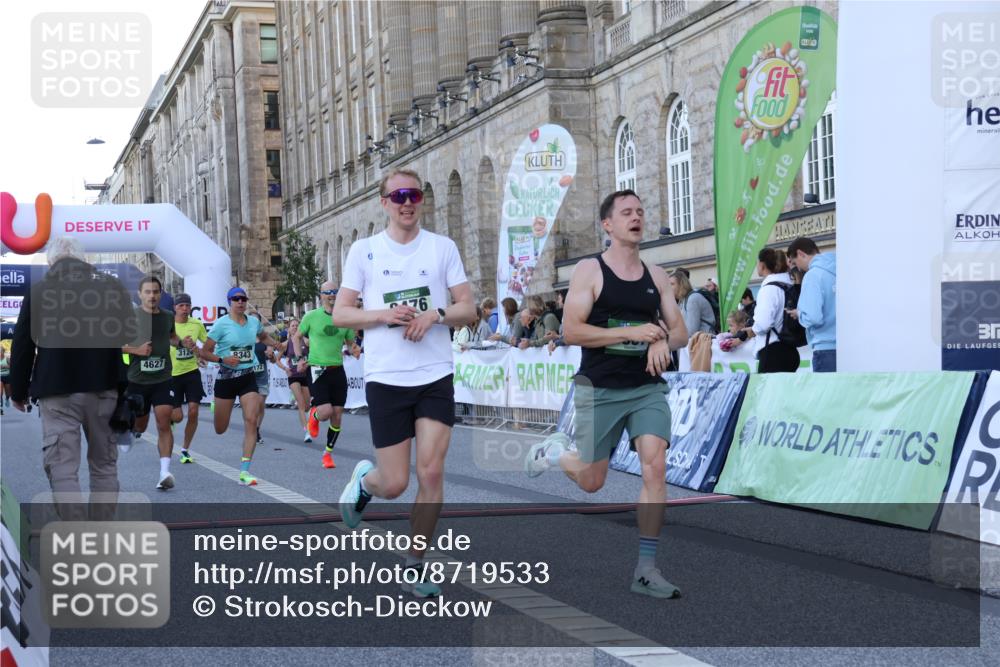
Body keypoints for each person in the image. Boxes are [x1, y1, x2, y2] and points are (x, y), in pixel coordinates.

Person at [524, 189, 688, 600]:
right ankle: (553, 453)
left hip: (646, 388)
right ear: (608, 225)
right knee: (592, 482)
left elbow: (681, 331)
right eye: (626, 212)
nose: (636, 217)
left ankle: (646, 569)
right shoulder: (589, 270)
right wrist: (631, 332)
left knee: (655, 466)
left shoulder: (655, 274)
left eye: (641, 211)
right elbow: (573, 331)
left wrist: (661, 342)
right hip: (599, 387)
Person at [333, 167, 476, 598]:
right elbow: (341, 314)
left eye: (413, 194)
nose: (407, 202)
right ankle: (364, 482)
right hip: (387, 377)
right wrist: (381, 315)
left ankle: (414, 565)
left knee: (430, 472)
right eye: (398, 196)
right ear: (384, 203)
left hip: (434, 374)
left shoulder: (441, 248)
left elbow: (468, 308)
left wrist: (436, 314)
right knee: (394, 484)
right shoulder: (364, 251)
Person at [9, 237, 135, 519]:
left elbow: (23, 345)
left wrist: (18, 391)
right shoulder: (110, 288)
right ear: (83, 260)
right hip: (104, 386)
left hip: (58, 389)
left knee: (63, 464)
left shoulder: (39, 290)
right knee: (104, 463)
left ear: (52, 262)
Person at [201, 286, 282, 486]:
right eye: (236, 299)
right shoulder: (221, 325)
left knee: (251, 420)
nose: (240, 302)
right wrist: (223, 359)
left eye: (243, 299)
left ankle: (245, 471)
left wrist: (276, 344)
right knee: (220, 428)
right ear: (229, 302)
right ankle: (216, 404)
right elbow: (205, 352)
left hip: (248, 377)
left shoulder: (253, 322)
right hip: (226, 380)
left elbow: (263, 337)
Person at [122, 275, 184, 491]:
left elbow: (172, 337)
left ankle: (164, 472)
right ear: (140, 294)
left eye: (156, 292)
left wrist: (182, 342)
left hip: (163, 378)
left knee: (163, 422)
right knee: (140, 424)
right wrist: (135, 350)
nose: (152, 296)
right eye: (147, 292)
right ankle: (130, 431)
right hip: (137, 380)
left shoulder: (168, 316)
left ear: (160, 294)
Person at [302, 281, 359, 469]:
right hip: (318, 368)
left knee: (337, 415)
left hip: (337, 370)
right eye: (328, 292)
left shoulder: (344, 319)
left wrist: (355, 348)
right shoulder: (311, 316)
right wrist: (298, 357)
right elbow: (296, 337)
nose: (332, 295)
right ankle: (314, 416)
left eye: (335, 291)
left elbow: (350, 343)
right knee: (325, 412)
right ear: (321, 295)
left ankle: (327, 454)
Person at [727, 248, 798, 373]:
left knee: (769, 392)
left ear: (762, 265)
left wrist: (752, 330)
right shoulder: (787, 285)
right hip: (790, 348)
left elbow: (763, 324)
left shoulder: (769, 289)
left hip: (773, 353)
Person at [786, 237, 837, 372]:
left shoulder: (812, 276)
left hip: (824, 347)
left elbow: (814, 317)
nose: (798, 268)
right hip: (845, 346)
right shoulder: (838, 269)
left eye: (795, 262)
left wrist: (800, 313)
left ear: (801, 254)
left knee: (826, 393)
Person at [169, 293, 208, 465]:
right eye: (181, 306)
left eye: (187, 305)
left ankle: (184, 449)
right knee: (177, 417)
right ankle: (170, 422)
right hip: (172, 375)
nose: (185, 308)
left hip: (192, 372)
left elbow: (206, 345)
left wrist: (201, 355)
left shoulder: (197, 324)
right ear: (175, 308)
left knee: (193, 411)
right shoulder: (168, 325)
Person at [277, 317, 312, 441]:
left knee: (308, 406)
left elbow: (314, 354)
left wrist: (307, 362)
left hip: (305, 376)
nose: (295, 327)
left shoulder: (306, 341)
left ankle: (308, 422)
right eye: (293, 325)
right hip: (293, 376)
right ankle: (306, 432)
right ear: (289, 329)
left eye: (297, 325)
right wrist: (285, 369)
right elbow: (277, 359)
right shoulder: (286, 344)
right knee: (301, 405)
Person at [670, 271, 715, 336]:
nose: (669, 287)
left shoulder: (692, 299)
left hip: (705, 341)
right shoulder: (682, 300)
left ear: (681, 284)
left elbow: (691, 331)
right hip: (697, 341)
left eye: (672, 284)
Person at [0, 346, 10, 412]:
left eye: (1, 351)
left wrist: (4, 366)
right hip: (0, 376)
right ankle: (1, 401)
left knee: (8, 392)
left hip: (7, 376)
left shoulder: (7, 359)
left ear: (3, 352)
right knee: (0, 391)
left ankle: (7, 398)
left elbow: (12, 367)